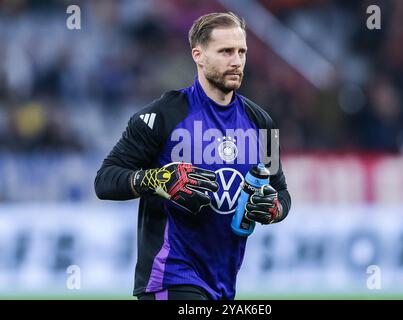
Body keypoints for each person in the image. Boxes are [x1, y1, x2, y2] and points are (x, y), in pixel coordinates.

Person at [94, 12, 291, 300]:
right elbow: (105, 180)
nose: (236, 61)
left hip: (223, 281)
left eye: (241, 52)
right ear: (198, 55)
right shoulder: (162, 115)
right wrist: (155, 179)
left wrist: (274, 209)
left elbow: (280, 191)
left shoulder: (262, 123)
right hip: (170, 276)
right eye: (225, 51)